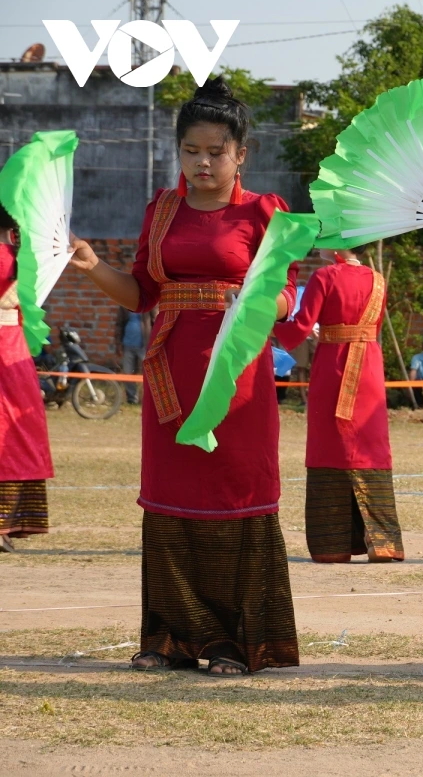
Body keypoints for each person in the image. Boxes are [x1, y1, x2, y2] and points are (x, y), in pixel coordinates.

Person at [67, 77, 299, 676]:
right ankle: (168, 636)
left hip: (236, 378)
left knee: (234, 495)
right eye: (191, 151)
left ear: (240, 154)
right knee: (173, 500)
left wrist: (253, 296)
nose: (203, 162)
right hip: (169, 375)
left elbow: (285, 302)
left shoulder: (265, 211)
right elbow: (141, 295)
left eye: (216, 152)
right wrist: (93, 266)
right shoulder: (161, 209)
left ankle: (232, 642)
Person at [276, 245, 404, 564]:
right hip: (370, 369)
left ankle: (331, 543)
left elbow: (302, 326)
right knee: (371, 446)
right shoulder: (378, 280)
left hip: (333, 366)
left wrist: (266, 323)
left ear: (338, 244)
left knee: (328, 446)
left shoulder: (324, 276)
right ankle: (383, 540)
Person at [0, 199, 53, 553]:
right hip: (10, 349)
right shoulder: (14, 255)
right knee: (13, 430)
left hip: (11, 346)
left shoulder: (15, 255)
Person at [115, 306, 152, 404]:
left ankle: (148, 399)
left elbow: (155, 321)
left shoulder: (148, 304)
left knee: (149, 374)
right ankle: (132, 399)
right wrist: (118, 344)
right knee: (127, 373)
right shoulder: (124, 305)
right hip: (128, 345)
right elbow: (119, 325)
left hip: (144, 346)